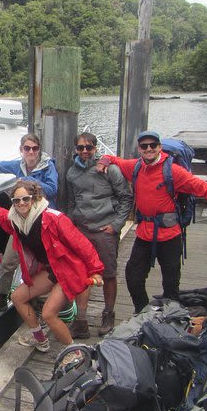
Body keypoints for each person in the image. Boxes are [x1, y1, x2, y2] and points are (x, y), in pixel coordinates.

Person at [97, 130, 207, 314]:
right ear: (139, 149)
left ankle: (170, 317)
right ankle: (143, 311)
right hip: (145, 233)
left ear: (160, 147)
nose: (149, 149)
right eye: (144, 146)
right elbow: (113, 159)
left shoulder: (172, 171)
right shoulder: (135, 167)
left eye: (153, 145)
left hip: (170, 233)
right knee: (133, 276)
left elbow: (198, 185)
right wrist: (104, 160)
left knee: (170, 281)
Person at [0, 180, 104, 353]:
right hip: (50, 270)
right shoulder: (17, 221)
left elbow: (81, 244)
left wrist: (96, 271)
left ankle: (75, 353)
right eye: (16, 200)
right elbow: (1, 216)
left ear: (34, 198)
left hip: (67, 271)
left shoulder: (53, 218)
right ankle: (40, 339)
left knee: (48, 314)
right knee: (17, 297)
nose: (21, 203)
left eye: (25, 199)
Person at [0, 133, 59, 316]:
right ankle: (1, 298)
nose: (31, 152)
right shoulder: (18, 165)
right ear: (21, 150)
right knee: (8, 262)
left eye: (35, 148)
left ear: (39, 150)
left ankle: (38, 301)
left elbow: (52, 190)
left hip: (41, 226)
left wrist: (29, 182)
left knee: (40, 266)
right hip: (20, 224)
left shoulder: (48, 166)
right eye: (27, 148)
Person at [66, 132, 133, 338]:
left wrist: (116, 224)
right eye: (80, 148)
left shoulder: (110, 170)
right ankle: (81, 321)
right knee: (82, 274)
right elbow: (72, 202)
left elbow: (126, 198)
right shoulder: (71, 173)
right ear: (75, 150)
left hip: (105, 229)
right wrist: (71, 225)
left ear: (95, 148)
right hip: (82, 230)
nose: (84, 151)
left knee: (109, 273)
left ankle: (109, 313)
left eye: (89, 147)